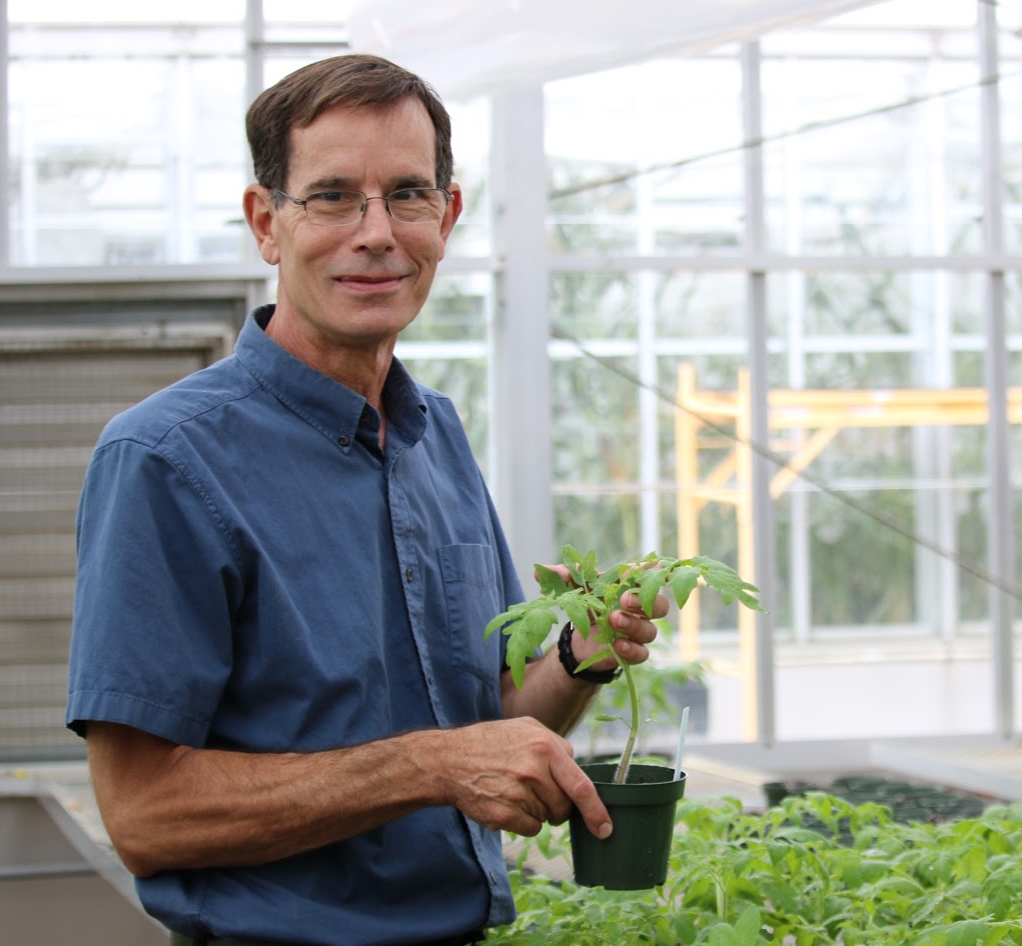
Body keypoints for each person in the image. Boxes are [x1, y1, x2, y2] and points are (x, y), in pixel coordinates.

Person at [65, 53, 665, 946]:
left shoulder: (437, 435)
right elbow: (145, 816)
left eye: (408, 195)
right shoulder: (167, 459)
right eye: (334, 196)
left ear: (448, 216)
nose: (376, 232)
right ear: (267, 223)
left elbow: (491, 725)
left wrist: (580, 657)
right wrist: (428, 765)